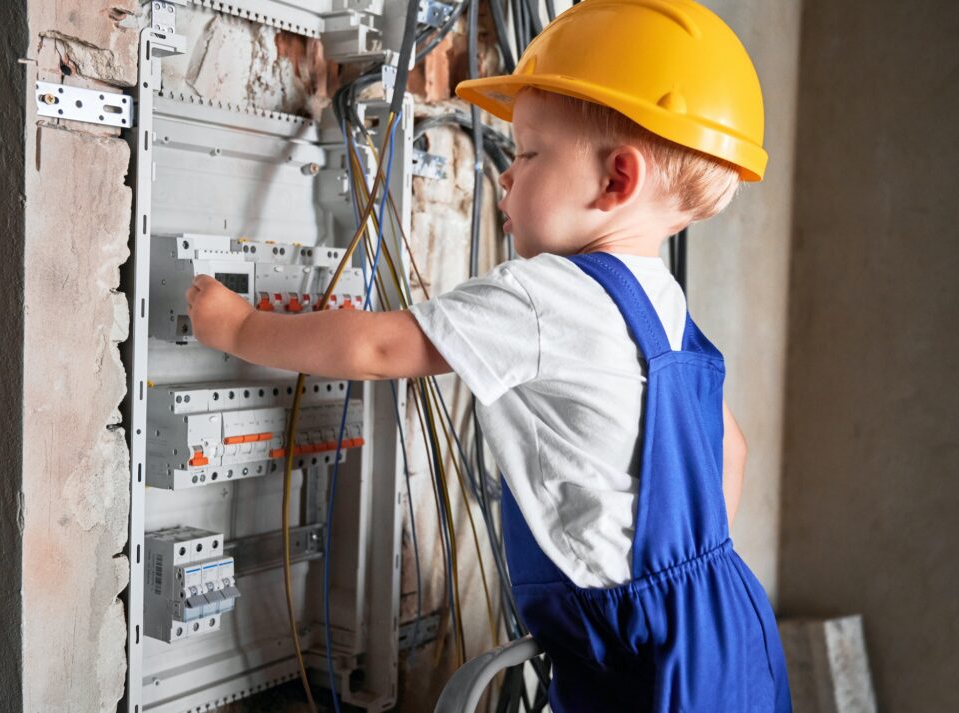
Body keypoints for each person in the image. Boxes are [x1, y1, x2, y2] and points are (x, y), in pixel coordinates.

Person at [186, 1, 792, 710]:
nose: (506, 174)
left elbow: (379, 346)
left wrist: (239, 327)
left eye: (529, 152)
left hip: (640, 653)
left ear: (616, 180)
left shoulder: (545, 296)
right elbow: (733, 450)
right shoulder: (664, 306)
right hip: (727, 621)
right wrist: (681, 572)